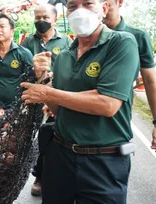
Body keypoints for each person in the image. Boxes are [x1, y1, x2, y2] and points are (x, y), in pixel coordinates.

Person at [21, 0, 141, 203]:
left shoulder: (121, 43)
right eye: (72, 6)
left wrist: (47, 94)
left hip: (103, 161)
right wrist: (42, 80)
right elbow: (59, 109)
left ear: (103, 9)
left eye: (88, 4)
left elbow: (108, 103)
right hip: (60, 156)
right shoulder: (64, 57)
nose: (80, 11)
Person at [21, 3, 72, 196]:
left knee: (53, 138)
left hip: (57, 100)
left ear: (55, 20)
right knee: (36, 139)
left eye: (45, 17)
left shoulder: (66, 42)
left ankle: (49, 176)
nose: (41, 21)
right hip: (34, 99)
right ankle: (38, 174)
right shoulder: (28, 42)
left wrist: (53, 99)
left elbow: (69, 75)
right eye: (37, 18)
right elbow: (24, 72)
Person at [104, 0, 156, 152]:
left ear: (119, 2)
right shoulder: (86, 37)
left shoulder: (137, 36)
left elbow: (151, 81)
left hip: (118, 120)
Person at [0, 13, 33, 107]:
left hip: (19, 108)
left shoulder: (24, 54)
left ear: (12, 31)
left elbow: (32, 82)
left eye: (2, 27)